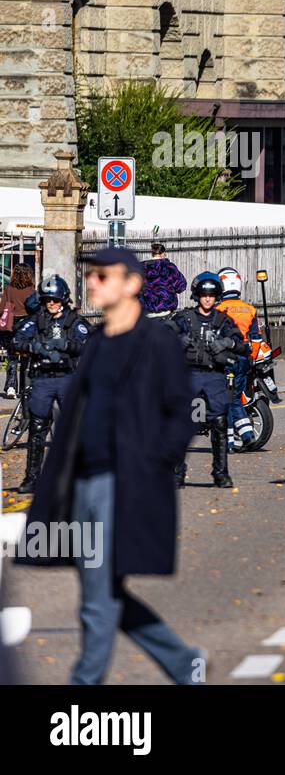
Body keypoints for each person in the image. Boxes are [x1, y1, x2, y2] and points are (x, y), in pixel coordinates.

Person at [16, 248, 203, 685]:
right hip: (83, 482)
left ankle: (83, 686)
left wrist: (152, 465)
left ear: (132, 283)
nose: (93, 282)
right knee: (105, 590)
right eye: (92, 275)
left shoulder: (157, 341)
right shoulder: (98, 341)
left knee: (96, 600)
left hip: (123, 485)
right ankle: (184, 664)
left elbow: (182, 412)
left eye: (103, 275)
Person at [169, 272, 248, 489]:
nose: (207, 299)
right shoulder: (184, 318)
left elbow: (241, 345)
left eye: (212, 295)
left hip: (214, 375)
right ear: (197, 296)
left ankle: (220, 473)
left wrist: (226, 344)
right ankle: (177, 474)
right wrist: (178, 339)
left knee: (220, 422)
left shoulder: (223, 320)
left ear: (217, 297)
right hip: (189, 375)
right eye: (204, 295)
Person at [12, 275, 90, 494]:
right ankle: (32, 478)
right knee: (37, 430)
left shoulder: (74, 321)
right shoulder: (36, 320)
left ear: (63, 299)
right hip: (43, 380)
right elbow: (16, 340)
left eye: (55, 300)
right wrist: (34, 347)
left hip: (67, 378)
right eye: (47, 300)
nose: (51, 304)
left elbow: (90, 343)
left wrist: (67, 345)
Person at [215, 267, 263, 447]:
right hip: (242, 359)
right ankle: (241, 435)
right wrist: (252, 357)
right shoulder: (250, 309)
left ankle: (232, 439)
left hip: (225, 358)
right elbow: (256, 338)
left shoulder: (218, 309)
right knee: (235, 397)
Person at [1, 263, 35, 397]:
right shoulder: (32, 290)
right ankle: (25, 387)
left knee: (12, 357)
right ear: (28, 275)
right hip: (27, 325)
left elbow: (1, 308)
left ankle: (11, 387)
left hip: (11, 326)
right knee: (26, 357)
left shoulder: (9, 289)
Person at [141, 242, 188, 318]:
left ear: (152, 253)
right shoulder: (169, 267)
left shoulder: (141, 268)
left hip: (146, 312)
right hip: (166, 311)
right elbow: (181, 286)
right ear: (163, 253)